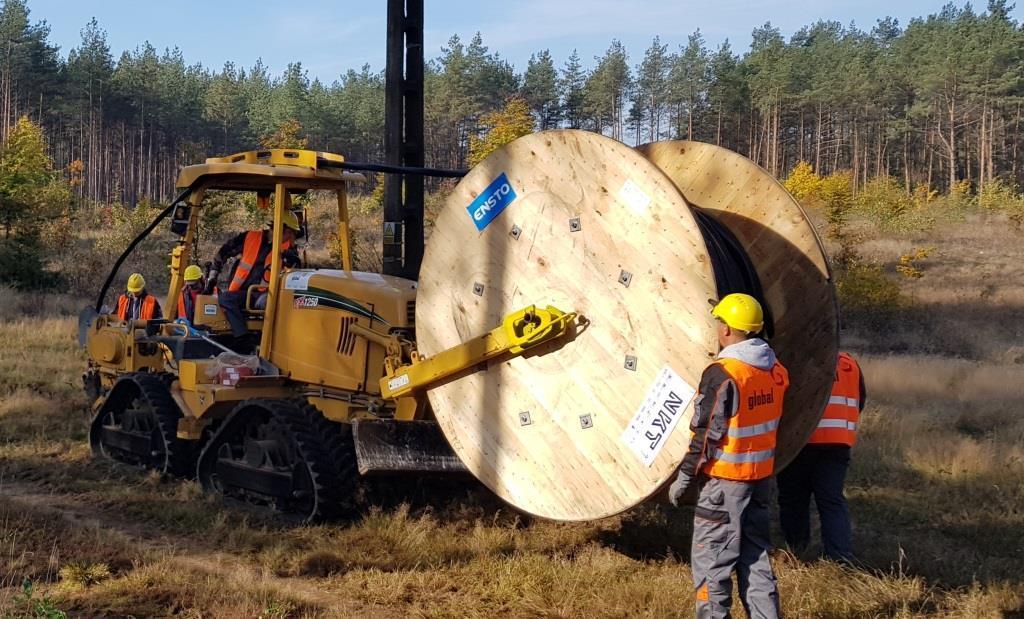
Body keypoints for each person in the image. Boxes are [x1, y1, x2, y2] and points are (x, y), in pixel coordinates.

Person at [668, 293, 789, 619]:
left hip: (724, 485)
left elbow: (705, 433)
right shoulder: (775, 370)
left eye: (719, 322)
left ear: (726, 330)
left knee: (712, 563)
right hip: (760, 480)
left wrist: (685, 478)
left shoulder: (724, 373)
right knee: (755, 555)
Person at [776, 351, 865, 563]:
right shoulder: (850, 364)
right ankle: (840, 556)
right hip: (838, 442)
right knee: (831, 500)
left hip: (802, 442)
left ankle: (797, 550)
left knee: (794, 499)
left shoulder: (800, 356)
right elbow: (860, 399)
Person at [206, 210, 301, 337]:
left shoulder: (289, 250)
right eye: (289, 232)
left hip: (267, 294)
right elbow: (223, 252)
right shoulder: (249, 238)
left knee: (268, 302)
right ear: (278, 227)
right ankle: (242, 336)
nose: (291, 236)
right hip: (244, 293)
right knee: (225, 298)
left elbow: (295, 273)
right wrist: (213, 275)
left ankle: (270, 338)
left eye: (293, 233)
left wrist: (291, 262)